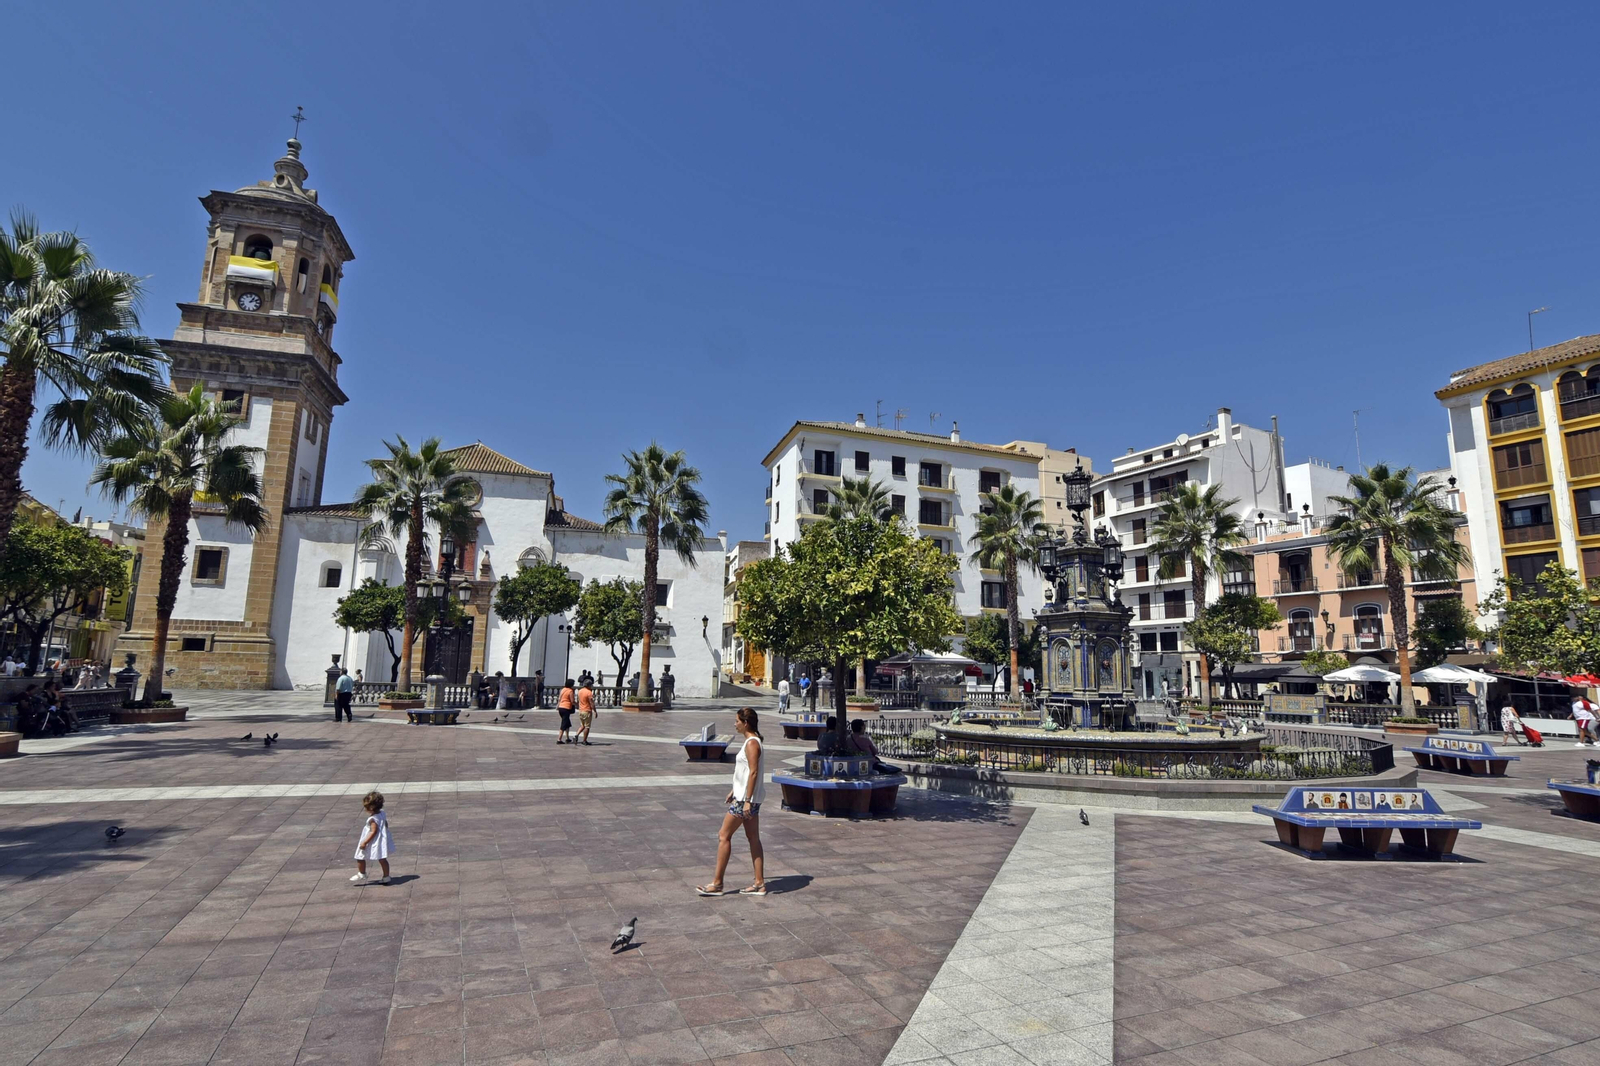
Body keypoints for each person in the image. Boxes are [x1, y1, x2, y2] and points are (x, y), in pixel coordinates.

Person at [697, 707, 766, 897]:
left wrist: (746, 801)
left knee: (723, 835)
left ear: (745, 723)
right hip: (746, 797)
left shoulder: (752, 743)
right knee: (753, 838)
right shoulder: (752, 742)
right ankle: (759, 883)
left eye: (737, 721)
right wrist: (734, 790)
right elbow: (745, 774)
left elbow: (753, 772)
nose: (734, 724)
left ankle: (717, 883)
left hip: (746, 800)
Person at [351, 790, 395, 886]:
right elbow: (385, 823)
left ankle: (362, 873)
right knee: (382, 859)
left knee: (360, 856)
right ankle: (386, 876)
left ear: (371, 808)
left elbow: (373, 831)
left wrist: (364, 842)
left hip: (372, 840)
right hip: (380, 840)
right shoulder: (382, 813)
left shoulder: (373, 819)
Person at [576, 677, 597, 745]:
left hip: (581, 710)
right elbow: (591, 703)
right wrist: (595, 711)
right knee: (587, 727)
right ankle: (584, 740)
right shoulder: (589, 692)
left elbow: (578, 700)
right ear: (589, 685)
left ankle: (576, 735)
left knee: (582, 725)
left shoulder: (580, 691)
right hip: (587, 710)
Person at [556, 679, 576, 744]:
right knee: (564, 724)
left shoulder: (563, 689)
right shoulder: (570, 691)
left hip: (561, 708)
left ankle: (567, 738)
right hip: (566, 708)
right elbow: (572, 701)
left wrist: (558, 706)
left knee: (567, 723)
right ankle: (559, 739)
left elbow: (559, 698)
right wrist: (578, 704)